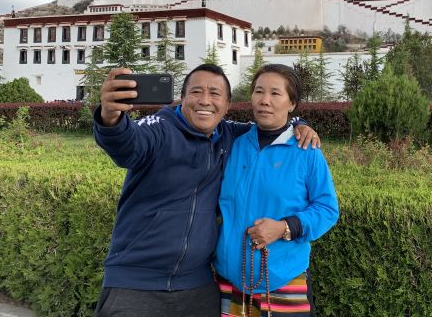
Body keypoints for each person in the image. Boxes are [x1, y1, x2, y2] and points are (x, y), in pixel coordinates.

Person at [93, 64, 320, 317]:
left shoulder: (230, 135)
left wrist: (300, 123)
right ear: (183, 98)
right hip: (135, 282)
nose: (205, 101)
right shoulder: (159, 127)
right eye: (196, 92)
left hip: (196, 285)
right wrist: (110, 117)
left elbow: (274, 125)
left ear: (227, 104)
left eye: (215, 94)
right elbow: (127, 145)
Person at [214, 64, 339, 316]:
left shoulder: (306, 151)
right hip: (228, 278)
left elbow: (327, 209)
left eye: (275, 93)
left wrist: (284, 227)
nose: (265, 101)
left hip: (282, 280)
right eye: (259, 92)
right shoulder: (234, 144)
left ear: (291, 103)